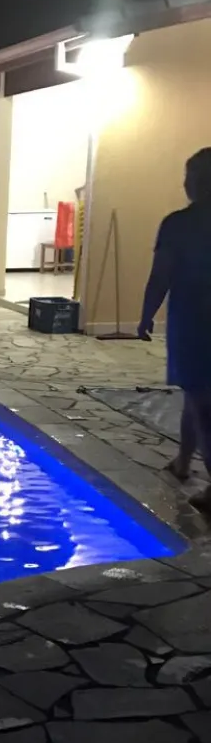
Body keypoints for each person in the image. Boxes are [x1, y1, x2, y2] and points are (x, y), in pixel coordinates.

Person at [139, 147, 211, 512]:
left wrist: (145, 316)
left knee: (202, 404)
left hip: (195, 325)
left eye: (190, 177)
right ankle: (183, 460)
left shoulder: (179, 225)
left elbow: (160, 277)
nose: (186, 184)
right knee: (195, 397)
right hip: (194, 322)